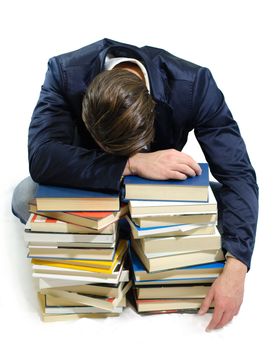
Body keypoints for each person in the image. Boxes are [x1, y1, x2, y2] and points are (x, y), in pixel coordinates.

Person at [12, 38, 258, 331]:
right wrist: (129, 164)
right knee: (26, 194)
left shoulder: (194, 85)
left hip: (155, 193)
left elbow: (238, 174)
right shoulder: (65, 72)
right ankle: (125, 237)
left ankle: (129, 234)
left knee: (220, 202)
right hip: (93, 184)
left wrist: (237, 266)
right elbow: (41, 155)